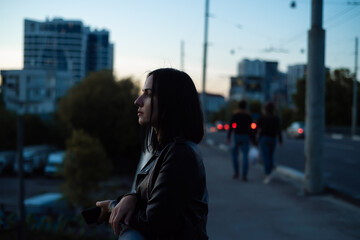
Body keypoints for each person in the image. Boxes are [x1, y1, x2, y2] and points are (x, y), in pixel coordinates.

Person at [96, 68, 209, 240]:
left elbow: (155, 224)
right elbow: (159, 197)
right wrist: (131, 197)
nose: (138, 101)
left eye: (148, 94)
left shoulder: (180, 155)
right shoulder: (166, 150)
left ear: (171, 102)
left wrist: (113, 207)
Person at [227, 99, 254, 181]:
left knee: (234, 154)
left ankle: (236, 172)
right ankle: (244, 175)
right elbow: (251, 129)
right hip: (246, 136)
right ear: (246, 107)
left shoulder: (235, 114)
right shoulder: (248, 115)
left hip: (237, 136)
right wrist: (254, 140)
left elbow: (231, 126)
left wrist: (228, 137)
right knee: (245, 155)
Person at [257, 102, 282, 184]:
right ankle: (270, 172)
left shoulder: (262, 117)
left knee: (266, 157)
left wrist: (256, 139)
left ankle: (267, 174)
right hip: (273, 139)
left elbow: (258, 129)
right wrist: (280, 140)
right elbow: (278, 130)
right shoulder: (276, 118)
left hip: (264, 138)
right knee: (270, 156)